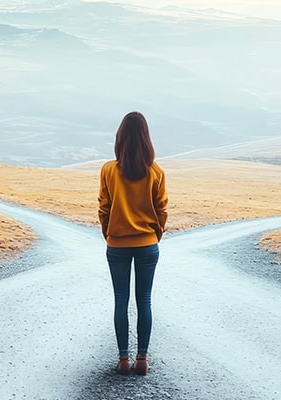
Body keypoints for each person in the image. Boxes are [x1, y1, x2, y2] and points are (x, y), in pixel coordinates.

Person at [98, 111, 168, 376]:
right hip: (148, 244)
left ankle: (123, 359)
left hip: (117, 245)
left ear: (120, 138)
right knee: (144, 299)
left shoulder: (108, 170)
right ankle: (142, 359)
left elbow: (104, 208)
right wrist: (153, 236)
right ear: (146, 138)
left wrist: (110, 234)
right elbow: (162, 210)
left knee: (120, 299)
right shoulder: (156, 171)